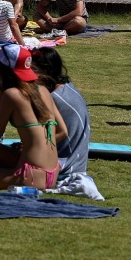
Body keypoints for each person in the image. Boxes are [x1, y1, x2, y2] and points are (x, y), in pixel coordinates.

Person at [0, 44, 67, 191]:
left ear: (3, 70)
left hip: (30, 176)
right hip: (51, 173)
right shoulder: (42, 90)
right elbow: (63, 131)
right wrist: (32, 146)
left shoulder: (11, 95)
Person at [31, 48, 90, 177]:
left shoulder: (54, 98)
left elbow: (59, 134)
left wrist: (29, 149)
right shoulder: (68, 87)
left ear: (47, 71)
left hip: (66, 162)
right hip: (78, 159)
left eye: (34, 70)